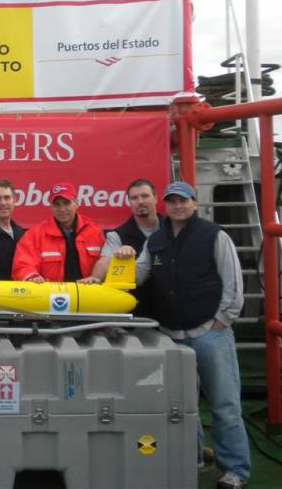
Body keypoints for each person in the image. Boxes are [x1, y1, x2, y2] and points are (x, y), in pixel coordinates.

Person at [113, 181, 250, 489]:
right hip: (172, 335)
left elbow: (234, 284)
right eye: (172, 201)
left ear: (194, 203)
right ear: (166, 205)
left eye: (183, 201)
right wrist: (120, 260)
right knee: (181, 405)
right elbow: (138, 275)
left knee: (225, 405)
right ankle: (192, 459)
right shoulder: (157, 240)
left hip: (209, 333)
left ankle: (235, 470)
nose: (177, 206)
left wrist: (222, 321)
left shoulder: (215, 235)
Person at [87, 178, 163, 315]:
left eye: (145, 196)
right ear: (129, 202)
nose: (140, 201)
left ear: (156, 198)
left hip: (172, 310)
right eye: (134, 198)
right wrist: (96, 278)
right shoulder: (117, 235)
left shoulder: (171, 230)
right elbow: (105, 260)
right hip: (136, 311)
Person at [12, 182, 104, 282]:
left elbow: (107, 262)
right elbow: (22, 264)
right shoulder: (35, 234)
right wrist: (31, 276)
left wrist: (96, 277)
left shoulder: (94, 232)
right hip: (50, 294)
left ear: (77, 203)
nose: (62, 209)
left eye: (66, 203)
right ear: (51, 206)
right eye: (57, 204)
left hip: (89, 293)